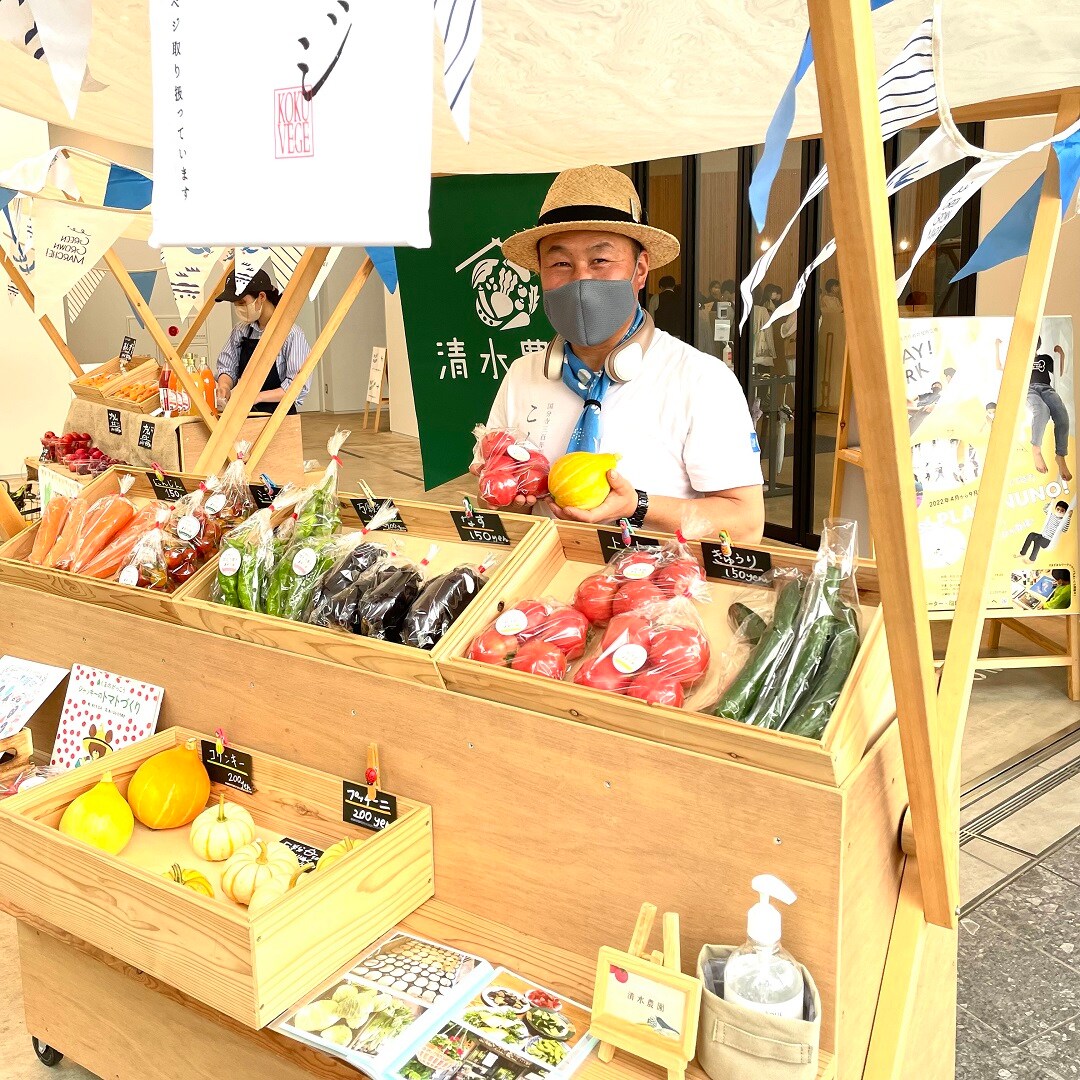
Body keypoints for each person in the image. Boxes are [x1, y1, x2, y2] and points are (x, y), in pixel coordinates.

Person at [486, 165, 764, 542]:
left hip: (654, 591)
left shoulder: (700, 379)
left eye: (600, 260)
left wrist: (640, 506)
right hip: (542, 584)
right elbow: (492, 501)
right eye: (560, 263)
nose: (581, 278)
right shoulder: (523, 376)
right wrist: (502, 496)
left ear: (640, 270)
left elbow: (746, 523)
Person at [214, 268, 312, 414]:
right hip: (245, 413)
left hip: (279, 415)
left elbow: (297, 386)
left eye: (242, 302)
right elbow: (227, 366)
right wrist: (224, 386)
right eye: (236, 304)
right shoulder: (241, 331)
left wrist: (258, 396)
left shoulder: (291, 334)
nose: (239, 308)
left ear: (261, 296)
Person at [1028, 337, 1073, 481]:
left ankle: (1060, 455)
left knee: (1062, 414)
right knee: (1041, 410)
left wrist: (1062, 355)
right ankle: (1036, 448)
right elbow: (1001, 369)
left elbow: (1058, 374)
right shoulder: (1020, 359)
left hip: (1047, 388)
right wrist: (997, 347)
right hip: (1029, 389)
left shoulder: (1045, 358)